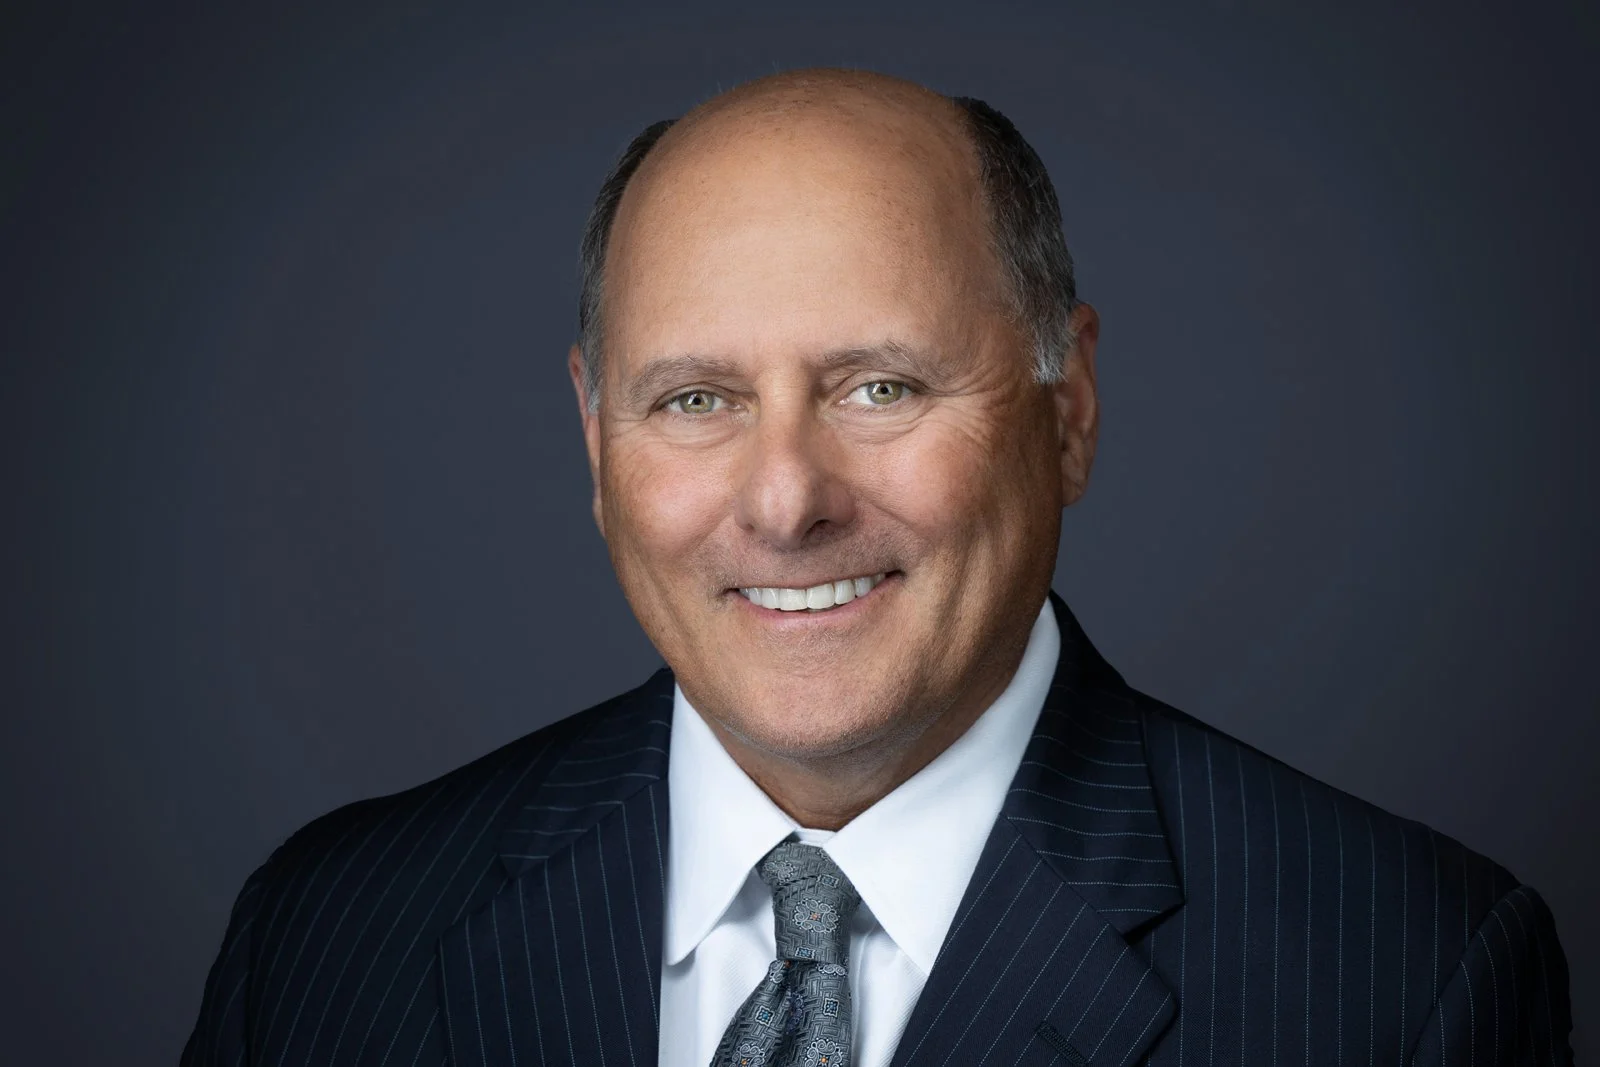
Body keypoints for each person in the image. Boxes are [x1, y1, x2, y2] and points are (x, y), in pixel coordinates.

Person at [182, 68, 1573, 1066]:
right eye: (695, 400)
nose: (787, 502)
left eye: (880, 387)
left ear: (1070, 409)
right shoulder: (328, 934)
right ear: (596, 441)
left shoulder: (1407, 979)